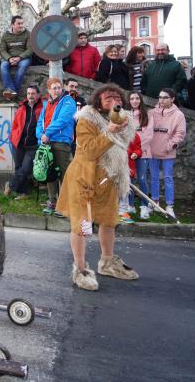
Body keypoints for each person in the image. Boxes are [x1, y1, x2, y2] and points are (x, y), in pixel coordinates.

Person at [56, 85, 139, 291]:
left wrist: (118, 126)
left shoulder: (121, 119)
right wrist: (109, 132)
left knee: (109, 221)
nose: (113, 100)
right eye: (108, 97)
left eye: (117, 97)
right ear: (98, 101)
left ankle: (107, 262)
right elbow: (91, 151)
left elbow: (127, 140)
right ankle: (81, 269)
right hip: (84, 180)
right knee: (83, 226)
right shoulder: (86, 120)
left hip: (107, 178)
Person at [36, 77, 77, 213]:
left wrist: (47, 133)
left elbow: (63, 120)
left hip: (61, 142)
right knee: (50, 173)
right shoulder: (47, 103)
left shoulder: (68, 101)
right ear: (49, 90)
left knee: (66, 174)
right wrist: (40, 135)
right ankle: (52, 202)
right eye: (54, 88)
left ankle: (67, 205)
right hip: (47, 142)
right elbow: (40, 121)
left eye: (59, 87)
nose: (57, 90)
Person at [147, 88, 186, 218]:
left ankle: (169, 205)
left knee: (168, 178)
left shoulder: (178, 115)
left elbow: (180, 134)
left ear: (172, 99)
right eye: (160, 97)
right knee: (153, 177)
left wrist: (169, 145)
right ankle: (155, 202)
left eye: (165, 97)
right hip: (152, 150)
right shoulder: (151, 112)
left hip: (167, 151)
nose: (161, 100)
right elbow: (144, 129)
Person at [8, 85, 43, 196]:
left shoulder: (42, 108)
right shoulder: (21, 108)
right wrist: (14, 137)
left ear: (38, 95)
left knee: (26, 169)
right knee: (18, 168)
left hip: (32, 145)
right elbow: (15, 125)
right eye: (28, 93)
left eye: (33, 93)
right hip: (18, 143)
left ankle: (10, 186)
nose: (30, 96)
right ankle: (23, 192)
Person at [128, 91, 153, 217]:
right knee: (129, 180)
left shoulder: (147, 115)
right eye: (132, 98)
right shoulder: (126, 115)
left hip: (143, 153)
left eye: (137, 98)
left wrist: (138, 151)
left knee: (142, 179)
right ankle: (130, 205)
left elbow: (148, 136)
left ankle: (144, 206)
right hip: (129, 154)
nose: (134, 101)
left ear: (141, 100)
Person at [0, 15, 33, 100]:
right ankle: (12, 90)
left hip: (23, 58)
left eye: (22, 23)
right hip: (9, 58)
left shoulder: (28, 34)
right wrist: (9, 58)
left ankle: (11, 91)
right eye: (18, 23)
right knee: (3, 66)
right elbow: (2, 50)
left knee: (22, 67)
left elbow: (30, 49)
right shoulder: (5, 35)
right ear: (12, 25)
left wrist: (20, 57)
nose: (21, 25)